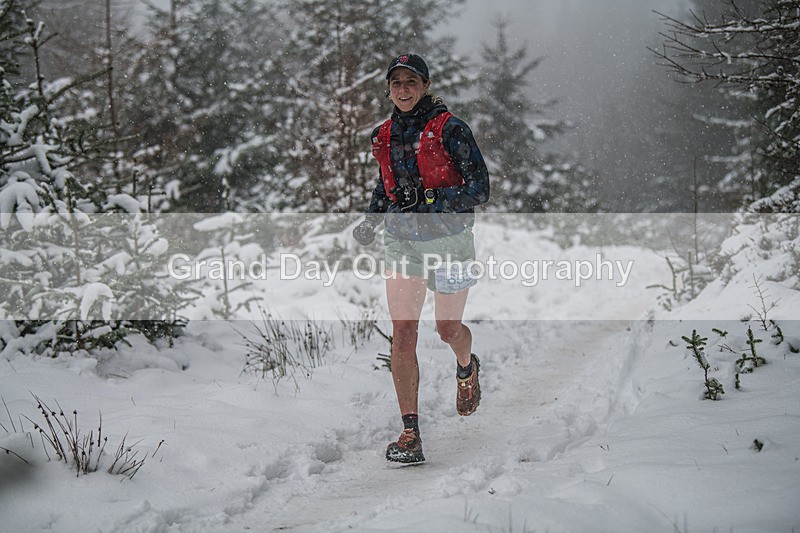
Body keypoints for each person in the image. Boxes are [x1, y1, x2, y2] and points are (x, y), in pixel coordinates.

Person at [352, 53, 490, 463]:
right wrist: (372, 220)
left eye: (412, 81)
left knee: (447, 329)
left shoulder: (451, 129)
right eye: (397, 83)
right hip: (403, 242)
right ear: (389, 89)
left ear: (426, 85)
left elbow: (479, 189)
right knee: (404, 334)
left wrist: (432, 198)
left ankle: (467, 367)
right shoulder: (384, 134)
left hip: (450, 240)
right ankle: (410, 432)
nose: (404, 89)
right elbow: (386, 186)